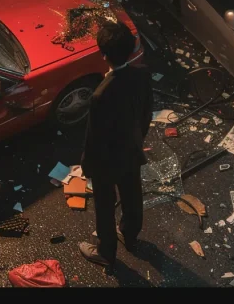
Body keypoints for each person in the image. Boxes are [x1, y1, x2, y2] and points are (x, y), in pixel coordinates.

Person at [77, 21, 153, 275]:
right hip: (131, 150)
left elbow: (94, 137)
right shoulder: (142, 74)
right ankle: (130, 234)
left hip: (106, 161)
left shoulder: (100, 95)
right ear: (132, 50)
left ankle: (106, 252)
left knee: (105, 204)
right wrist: (138, 137)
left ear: (104, 54)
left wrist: (87, 165)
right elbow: (146, 113)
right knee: (132, 192)